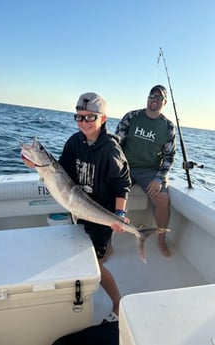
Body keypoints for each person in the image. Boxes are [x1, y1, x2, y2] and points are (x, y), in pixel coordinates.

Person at [23, 92, 131, 319]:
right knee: (87, 250)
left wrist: (119, 214)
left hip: (102, 215)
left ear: (103, 119)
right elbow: (63, 171)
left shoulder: (111, 150)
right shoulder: (74, 141)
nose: (83, 122)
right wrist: (37, 164)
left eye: (90, 117)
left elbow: (122, 185)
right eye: (79, 117)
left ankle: (118, 302)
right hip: (79, 209)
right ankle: (106, 249)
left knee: (96, 266)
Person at [115, 85, 176, 257]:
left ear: (164, 102)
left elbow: (169, 157)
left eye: (159, 97)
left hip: (149, 172)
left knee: (163, 199)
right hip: (125, 166)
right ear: (147, 98)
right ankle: (106, 242)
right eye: (152, 95)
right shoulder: (132, 116)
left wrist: (158, 179)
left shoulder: (168, 127)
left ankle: (161, 239)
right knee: (105, 191)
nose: (155, 99)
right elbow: (116, 144)